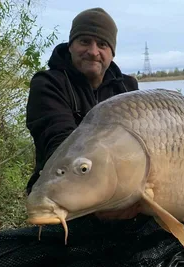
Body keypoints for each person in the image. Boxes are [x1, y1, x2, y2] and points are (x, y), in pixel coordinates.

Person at [25, 7, 140, 219]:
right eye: (85, 41)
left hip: (122, 191)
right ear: (71, 46)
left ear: (112, 52)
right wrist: (107, 200)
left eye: (102, 44)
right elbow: (59, 143)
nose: (93, 51)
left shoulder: (127, 87)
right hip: (64, 192)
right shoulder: (49, 84)